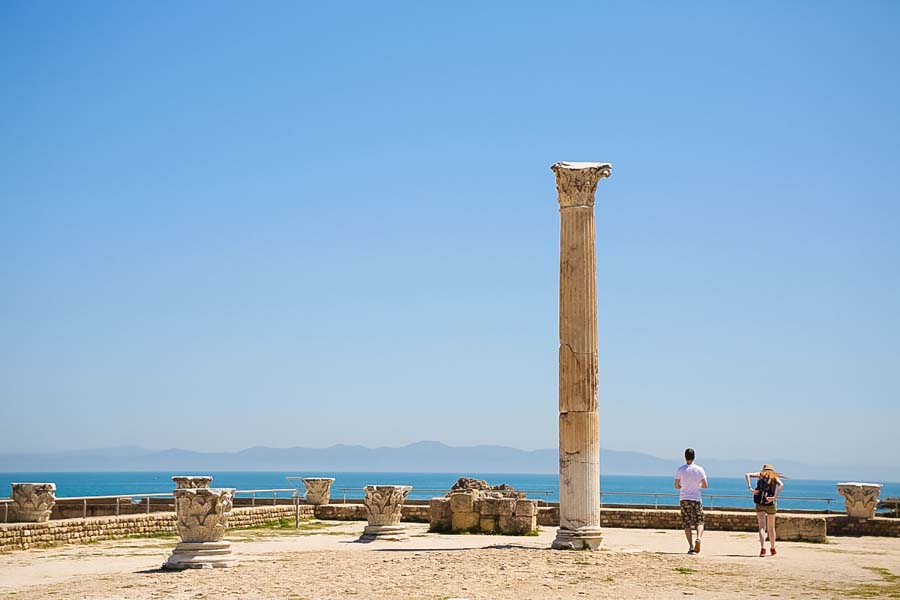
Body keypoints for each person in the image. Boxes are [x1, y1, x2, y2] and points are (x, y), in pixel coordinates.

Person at [674, 447, 708, 554]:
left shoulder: (680, 469)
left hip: (684, 498)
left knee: (687, 523)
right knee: (700, 521)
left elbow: (676, 485)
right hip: (696, 498)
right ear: (694, 457)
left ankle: (691, 546)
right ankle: (698, 538)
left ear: (685, 457)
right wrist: (698, 485)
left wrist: (683, 487)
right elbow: (705, 485)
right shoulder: (699, 469)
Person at [745, 464, 784, 557]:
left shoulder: (760, 474)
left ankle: (763, 549)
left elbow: (747, 474)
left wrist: (750, 488)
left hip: (760, 503)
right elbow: (781, 485)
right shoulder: (774, 477)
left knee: (762, 527)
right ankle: (773, 549)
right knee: (771, 528)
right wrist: (774, 497)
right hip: (770, 504)